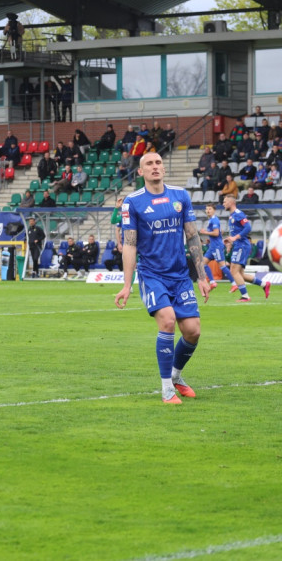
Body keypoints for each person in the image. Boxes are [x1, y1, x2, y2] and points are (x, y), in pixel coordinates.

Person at [114, 152, 212, 404]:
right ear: (140, 172)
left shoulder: (180, 195)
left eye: (158, 162)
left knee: (192, 331)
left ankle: (177, 376)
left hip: (180, 274)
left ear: (164, 168)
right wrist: (127, 284)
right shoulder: (132, 202)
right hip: (152, 274)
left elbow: (192, 236)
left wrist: (201, 276)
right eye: (149, 164)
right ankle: (166, 388)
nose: (155, 167)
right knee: (168, 321)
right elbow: (130, 244)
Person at [221, 194, 271, 302]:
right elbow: (236, 232)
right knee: (240, 274)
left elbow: (248, 227)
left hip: (242, 245)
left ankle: (245, 296)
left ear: (231, 202)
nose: (223, 204)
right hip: (238, 245)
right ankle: (264, 284)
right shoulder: (232, 216)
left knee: (233, 271)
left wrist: (235, 238)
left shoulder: (238, 214)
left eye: (225, 202)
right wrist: (230, 241)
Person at [198, 202, 228, 289]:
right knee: (203, 263)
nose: (208, 210)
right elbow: (220, 232)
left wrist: (205, 232)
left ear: (214, 210)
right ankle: (212, 282)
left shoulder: (214, 219)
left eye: (210, 209)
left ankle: (234, 282)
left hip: (217, 246)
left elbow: (216, 233)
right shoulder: (211, 220)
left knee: (222, 266)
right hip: (213, 246)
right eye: (207, 209)